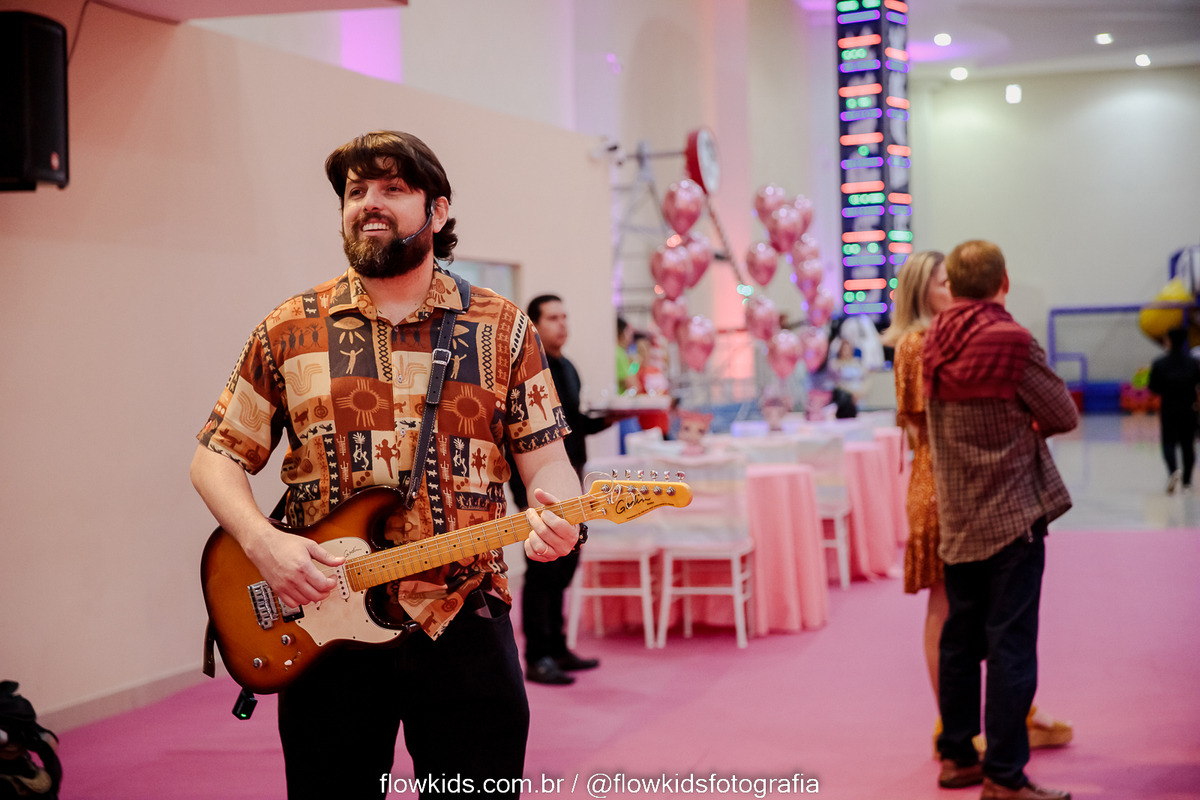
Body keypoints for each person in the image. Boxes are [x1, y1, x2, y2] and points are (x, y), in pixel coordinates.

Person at [190, 131, 583, 799]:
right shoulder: (289, 328)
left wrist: (559, 514)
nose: (368, 202)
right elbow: (216, 457)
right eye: (356, 191)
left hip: (464, 619)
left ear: (437, 210)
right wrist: (262, 543)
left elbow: (547, 462)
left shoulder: (503, 328)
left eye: (392, 188)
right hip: (325, 628)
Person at [924, 240, 1077, 800]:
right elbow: (1062, 413)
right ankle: (1005, 776)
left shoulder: (933, 341)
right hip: (1012, 516)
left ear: (954, 286)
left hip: (958, 516)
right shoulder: (1012, 341)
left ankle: (958, 757)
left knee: (960, 643)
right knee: (1011, 647)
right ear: (1003, 282)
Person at [506, 295, 609, 685]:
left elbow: (573, 423)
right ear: (534, 324)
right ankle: (537, 655)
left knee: (566, 564)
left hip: (573, 479)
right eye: (552, 318)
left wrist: (612, 418)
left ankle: (558, 646)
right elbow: (524, 435)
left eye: (565, 316)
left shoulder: (567, 367)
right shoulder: (531, 369)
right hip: (536, 486)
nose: (562, 324)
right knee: (542, 569)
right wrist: (526, 494)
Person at [1148, 327, 1200, 492]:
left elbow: (1153, 387)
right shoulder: (1192, 363)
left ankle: (1173, 472)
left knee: (1168, 443)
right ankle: (1187, 482)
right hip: (1189, 408)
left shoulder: (1159, 363)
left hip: (1169, 408)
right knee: (1188, 445)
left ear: (1169, 341)